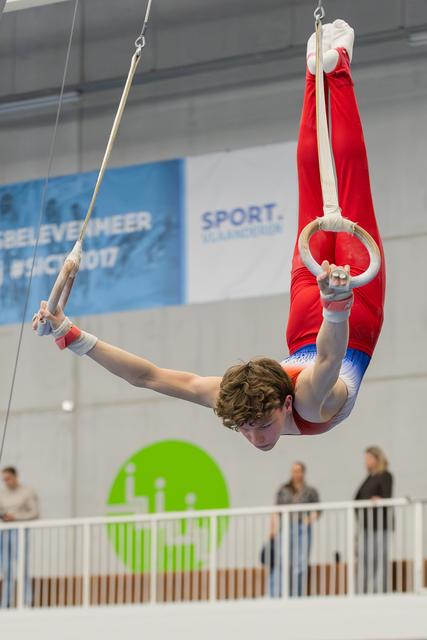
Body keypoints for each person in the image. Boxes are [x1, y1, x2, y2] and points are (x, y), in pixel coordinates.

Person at [33, 20, 385, 449]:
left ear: (285, 404)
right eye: (247, 427)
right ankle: (322, 69)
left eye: (259, 424)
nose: (255, 436)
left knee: (331, 184)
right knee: (331, 185)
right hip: (328, 312)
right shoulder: (244, 400)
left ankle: (328, 70)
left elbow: (330, 358)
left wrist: (336, 305)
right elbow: (151, 377)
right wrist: (70, 335)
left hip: (340, 314)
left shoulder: (309, 401)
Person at [266, 462, 320, 598]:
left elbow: (318, 509)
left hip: (302, 528)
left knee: (300, 563)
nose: (296, 474)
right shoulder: (284, 489)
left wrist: (309, 520)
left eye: (299, 471)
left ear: (303, 473)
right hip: (285, 527)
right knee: (281, 561)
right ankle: (276, 594)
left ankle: (296, 594)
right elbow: (276, 509)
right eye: (294, 471)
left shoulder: (310, 490)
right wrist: (273, 528)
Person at [354, 447, 393, 594]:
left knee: (379, 559)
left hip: (380, 526)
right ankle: (362, 591)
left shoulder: (385, 475)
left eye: (368, 458)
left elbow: (387, 496)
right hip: (366, 526)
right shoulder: (369, 477)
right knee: (365, 559)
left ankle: (379, 591)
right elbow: (357, 497)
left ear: (377, 459)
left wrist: (379, 500)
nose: (366, 461)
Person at [0, 467, 39, 608]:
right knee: (6, 569)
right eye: (4, 480)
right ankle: (5, 603)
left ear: (16, 476)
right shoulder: (2, 493)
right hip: (4, 532)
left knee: (22, 566)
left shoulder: (27, 491)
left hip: (20, 531)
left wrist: (15, 517)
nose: (6, 482)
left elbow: (34, 513)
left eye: (8, 478)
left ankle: (27, 601)